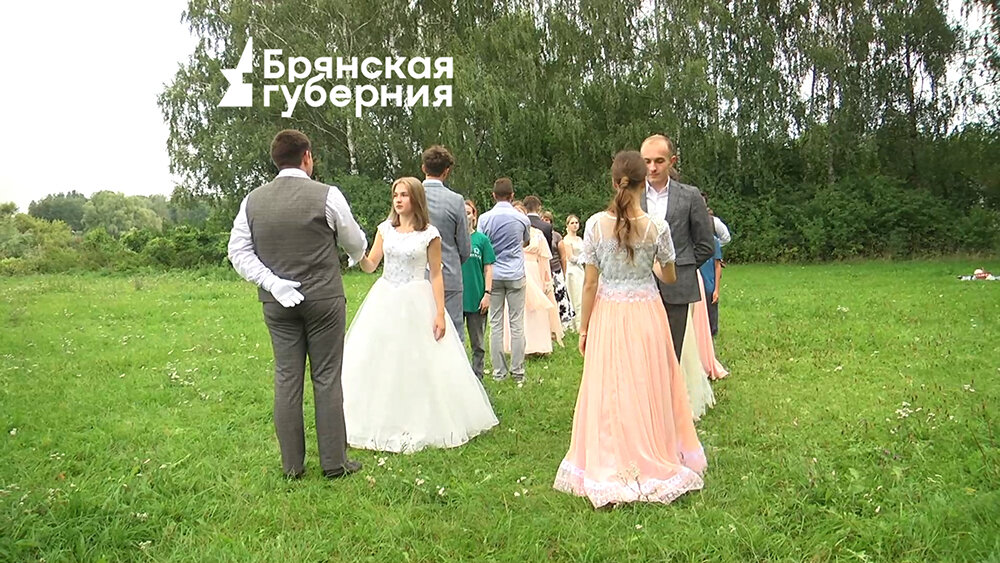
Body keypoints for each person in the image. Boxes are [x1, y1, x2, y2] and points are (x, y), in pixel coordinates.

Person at [553, 151, 706, 508]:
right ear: (643, 182)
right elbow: (669, 275)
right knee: (647, 381)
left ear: (613, 182)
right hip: (647, 312)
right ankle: (654, 449)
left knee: (610, 384)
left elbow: (590, 283)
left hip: (609, 313)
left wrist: (584, 328)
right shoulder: (657, 227)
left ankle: (612, 454)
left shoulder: (594, 225)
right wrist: (650, 267)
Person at [227, 129, 367, 480]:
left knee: (287, 377)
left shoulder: (252, 201)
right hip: (324, 299)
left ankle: (292, 466)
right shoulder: (327, 195)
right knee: (327, 377)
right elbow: (353, 240)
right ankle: (334, 463)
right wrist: (355, 255)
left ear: (276, 160)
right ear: (307, 157)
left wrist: (271, 281)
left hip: (277, 302)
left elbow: (238, 251)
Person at [341, 178, 498, 453]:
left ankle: (422, 416)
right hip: (386, 298)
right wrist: (357, 253)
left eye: (404, 195)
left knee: (419, 358)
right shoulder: (384, 230)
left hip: (417, 298)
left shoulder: (430, 234)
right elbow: (371, 265)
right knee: (381, 357)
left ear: (415, 198)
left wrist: (440, 313)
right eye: (395, 195)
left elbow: (436, 274)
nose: (398, 200)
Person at [640, 134, 715, 360]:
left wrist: (680, 267)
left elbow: (705, 245)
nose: (652, 168)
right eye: (646, 161)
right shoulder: (631, 195)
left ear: (672, 161)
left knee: (673, 354)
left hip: (677, 286)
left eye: (659, 161)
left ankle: (672, 385)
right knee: (642, 352)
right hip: (638, 287)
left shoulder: (690, 196)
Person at [477, 178, 531, 382]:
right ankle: (518, 371)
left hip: (494, 274)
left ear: (493, 195)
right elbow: (526, 241)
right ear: (512, 195)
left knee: (496, 324)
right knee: (516, 324)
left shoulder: (484, 219)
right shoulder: (522, 219)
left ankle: (499, 372)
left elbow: (481, 245)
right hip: (515, 273)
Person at [421, 145, 472, 343]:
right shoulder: (456, 200)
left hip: (418, 274)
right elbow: (465, 246)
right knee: (453, 333)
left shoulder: (411, 197)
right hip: (449, 272)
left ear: (423, 168)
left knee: (420, 331)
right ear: (446, 171)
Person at [507, 201, 564, 355]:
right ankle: (518, 345)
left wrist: (547, 280)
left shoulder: (537, 234)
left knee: (536, 308)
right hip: (515, 271)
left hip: (534, 271)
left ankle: (538, 344)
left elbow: (544, 259)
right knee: (518, 309)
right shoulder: (508, 234)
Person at [462, 199, 496, 380]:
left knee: (478, 343)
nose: (466, 216)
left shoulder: (482, 240)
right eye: (463, 212)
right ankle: (459, 377)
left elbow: (488, 268)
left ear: (474, 216)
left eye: (469, 213)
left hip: (476, 297)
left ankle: (477, 377)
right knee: (456, 342)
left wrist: (487, 294)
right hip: (457, 298)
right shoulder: (453, 240)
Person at [542, 211, 575, 329]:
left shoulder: (556, 236)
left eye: (547, 220)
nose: (545, 222)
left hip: (556, 269)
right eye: (543, 220)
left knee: (561, 295)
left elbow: (563, 256)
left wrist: (563, 272)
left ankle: (565, 323)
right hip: (544, 271)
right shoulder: (538, 236)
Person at [560, 214, 585, 332]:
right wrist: (583, 259)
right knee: (575, 296)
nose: (575, 225)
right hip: (572, 270)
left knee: (582, 295)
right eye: (572, 223)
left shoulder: (579, 239)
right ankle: (576, 324)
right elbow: (570, 257)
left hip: (580, 269)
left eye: (576, 223)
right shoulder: (566, 240)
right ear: (568, 225)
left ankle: (582, 322)